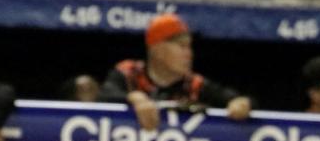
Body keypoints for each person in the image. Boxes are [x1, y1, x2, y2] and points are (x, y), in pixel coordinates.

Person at [99, 13, 252, 130]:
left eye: (189, 46)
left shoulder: (195, 84)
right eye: (181, 46)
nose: (189, 53)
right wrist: (135, 98)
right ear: (157, 50)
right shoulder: (128, 73)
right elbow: (104, 97)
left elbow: (238, 99)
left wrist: (242, 104)